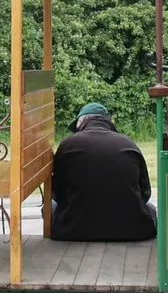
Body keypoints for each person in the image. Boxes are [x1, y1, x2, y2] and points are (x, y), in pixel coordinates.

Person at [48, 103, 157, 242]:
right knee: (151, 208)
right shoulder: (128, 143)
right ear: (108, 122)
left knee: (49, 206)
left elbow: (57, 193)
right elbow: (145, 193)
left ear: (80, 123)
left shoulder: (67, 145)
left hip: (72, 230)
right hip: (133, 231)